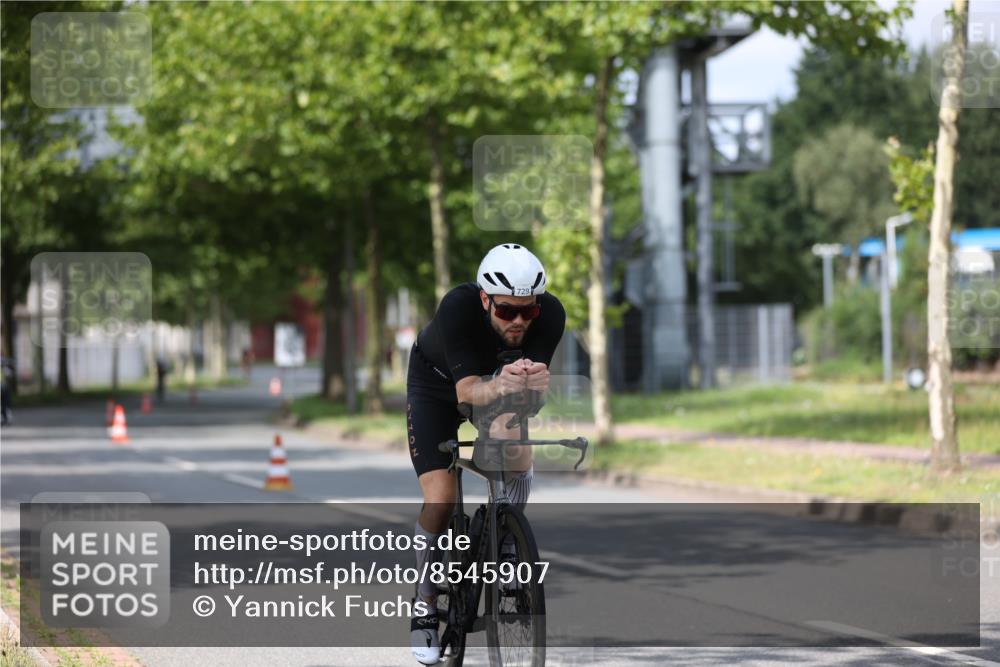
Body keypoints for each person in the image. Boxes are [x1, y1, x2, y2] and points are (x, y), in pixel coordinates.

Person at [406, 244, 565, 664]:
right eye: (507, 311)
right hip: (438, 387)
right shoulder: (458, 307)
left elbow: (531, 404)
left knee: (514, 448)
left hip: (495, 385)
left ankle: (508, 539)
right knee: (440, 497)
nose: (518, 321)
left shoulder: (551, 315)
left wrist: (534, 388)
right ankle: (424, 605)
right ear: (485, 299)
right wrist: (502, 384)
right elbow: (467, 393)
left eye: (527, 312)